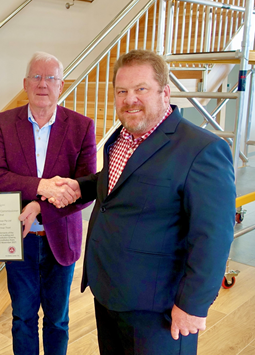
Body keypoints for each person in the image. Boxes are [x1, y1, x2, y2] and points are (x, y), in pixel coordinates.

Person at [55, 50, 235, 354]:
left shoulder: (202, 150)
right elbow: (118, 182)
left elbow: (213, 237)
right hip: (109, 293)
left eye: (141, 89)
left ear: (164, 92)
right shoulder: (123, 136)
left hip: (158, 309)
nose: (129, 99)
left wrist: (193, 305)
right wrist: (79, 185)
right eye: (122, 91)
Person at [0, 52, 96, 355]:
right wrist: (41, 187)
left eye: (50, 78)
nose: (42, 84)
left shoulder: (81, 126)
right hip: (18, 240)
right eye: (36, 76)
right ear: (25, 83)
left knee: (57, 319)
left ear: (61, 85)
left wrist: (38, 205)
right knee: (23, 318)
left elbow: (85, 189)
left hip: (61, 239)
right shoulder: (3, 123)